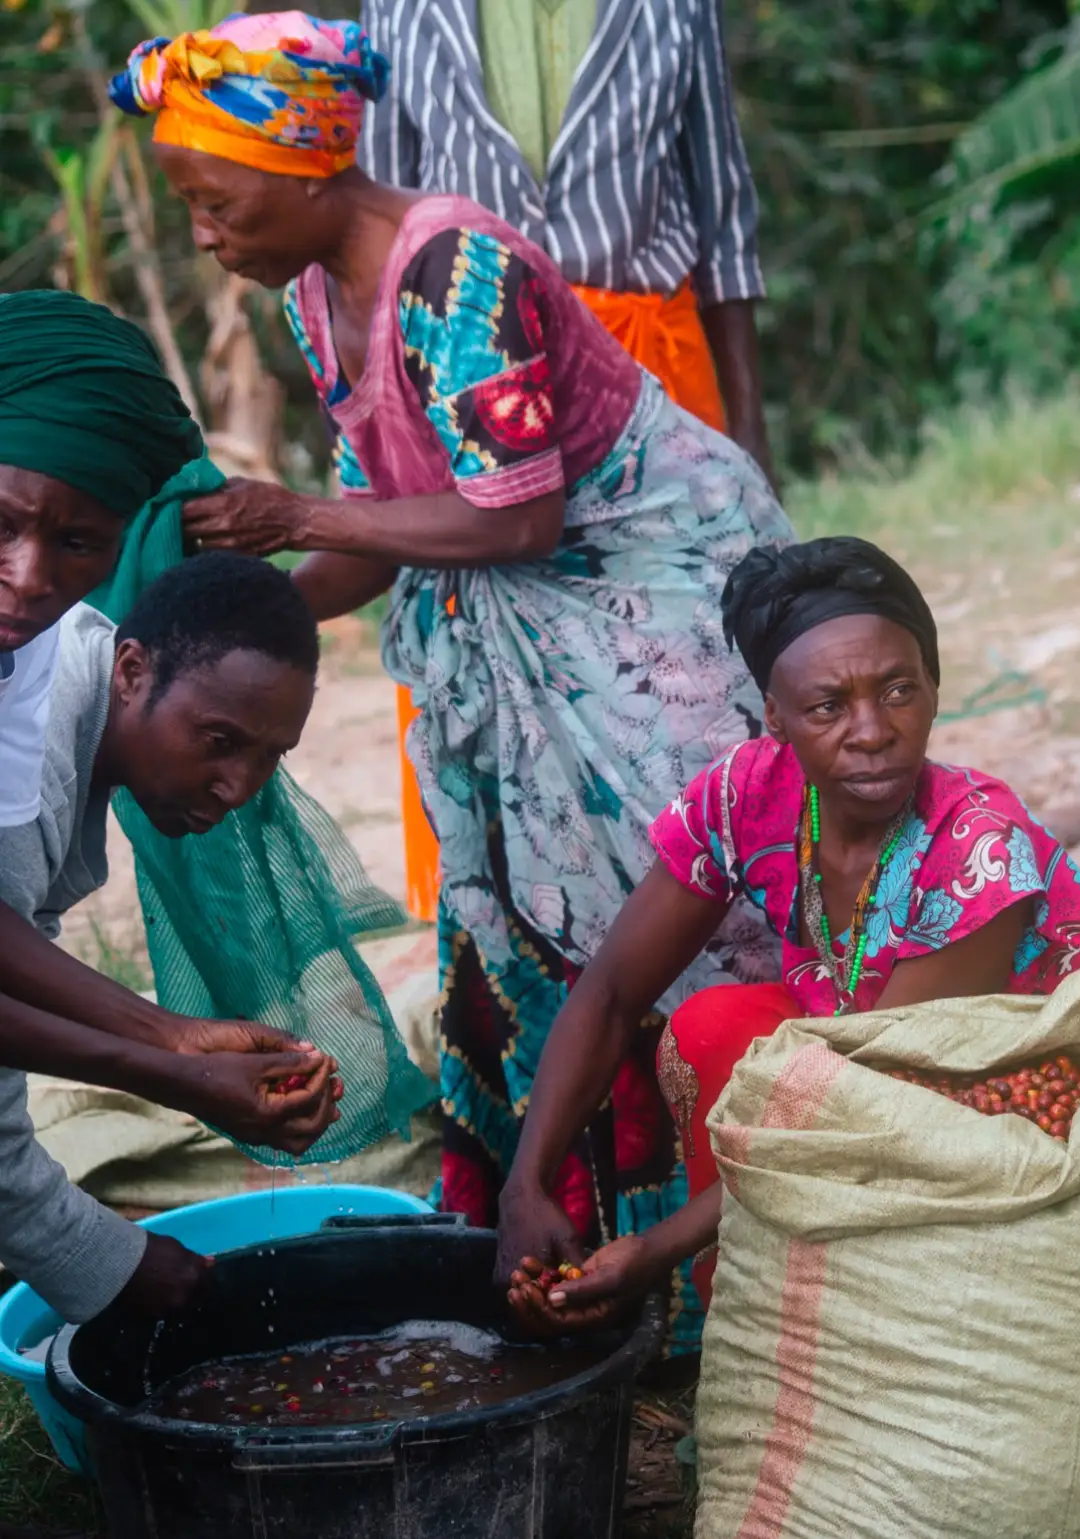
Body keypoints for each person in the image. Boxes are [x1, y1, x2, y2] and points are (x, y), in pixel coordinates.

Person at [111, 11, 792, 1352]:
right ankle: (565, 1234)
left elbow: (515, 518)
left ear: (304, 168)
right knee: (518, 920)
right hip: (510, 605)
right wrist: (223, 635)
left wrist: (294, 517)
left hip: (642, 595)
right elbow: (390, 512)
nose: (204, 230)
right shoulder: (318, 296)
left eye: (215, 197)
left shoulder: (452, 271)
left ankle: (732, 1261)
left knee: (681, 910)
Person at [495, 537, 1080, 1332]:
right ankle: (758, 1319)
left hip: (986, 1098)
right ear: (776, 717)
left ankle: (860, 1320)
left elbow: (867, 1101)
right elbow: (612, 990)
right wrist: (525, 1187)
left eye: (898, 690)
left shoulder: (977, 850)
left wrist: (655, 1250)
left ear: (933, 685)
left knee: (821, 1099)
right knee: (713, 1029)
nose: (871, 731)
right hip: (855, 1070)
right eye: (827, 706)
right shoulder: (748, 797)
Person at [361, 0, 775, 924]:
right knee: (482, 683)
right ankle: (514, 951)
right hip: (470, 386)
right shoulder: (398, 11)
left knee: (689, 690)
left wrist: (747, 433)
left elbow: (722, 210)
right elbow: (376, 224)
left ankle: (720, 934)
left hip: (650, 380)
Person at [0, 289, 338, 1319]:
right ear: (134, 670)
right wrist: (165, 1062)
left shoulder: (28, 671)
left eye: (79, 544)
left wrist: (176, 1041)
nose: (26, 578)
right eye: (4, 523)